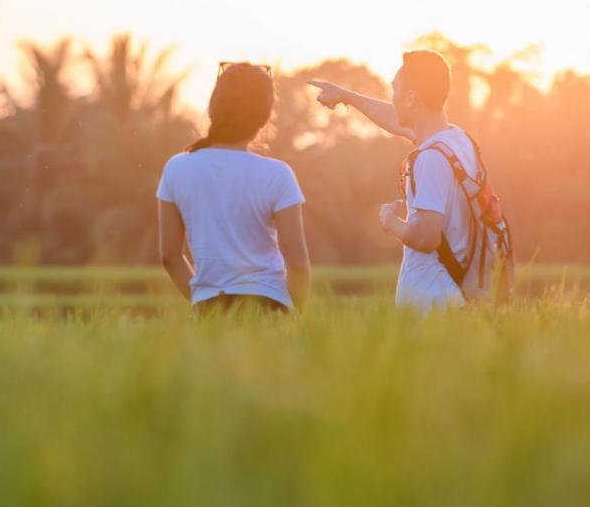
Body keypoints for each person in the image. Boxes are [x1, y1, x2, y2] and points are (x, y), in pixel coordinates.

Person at [310, 50, 490, 310]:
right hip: (456, 297)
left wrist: (391, 222)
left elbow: (427, 237)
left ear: (411, 98)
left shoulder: (429, 158)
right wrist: (347, 96)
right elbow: (396, 121)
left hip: (432, 304)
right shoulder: (458, 141)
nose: (392, 99)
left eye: (395, 90)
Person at [156, 62, 311, 314]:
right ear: (264, 115)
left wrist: (201, 300)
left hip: (209, 307)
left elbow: (170, 258)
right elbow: (298, 264)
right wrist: (294, 316)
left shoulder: (177, 168)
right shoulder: (277, 174)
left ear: (213, 107)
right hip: (270, 306)